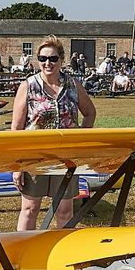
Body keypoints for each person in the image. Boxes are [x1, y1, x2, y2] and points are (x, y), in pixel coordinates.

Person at [11, 35, 97, 231]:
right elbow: (16, 129)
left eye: (52, 58)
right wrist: (17, 166)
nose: (47, 63)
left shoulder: (73, 85)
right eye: (42, 59)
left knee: (64, 210)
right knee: (29, 209)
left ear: (61, 60)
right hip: (34, 157)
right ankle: (22, 252)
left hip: (66, 159)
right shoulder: (28, 86)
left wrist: (80, 140)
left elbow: (90, 112)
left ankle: (63, 253)